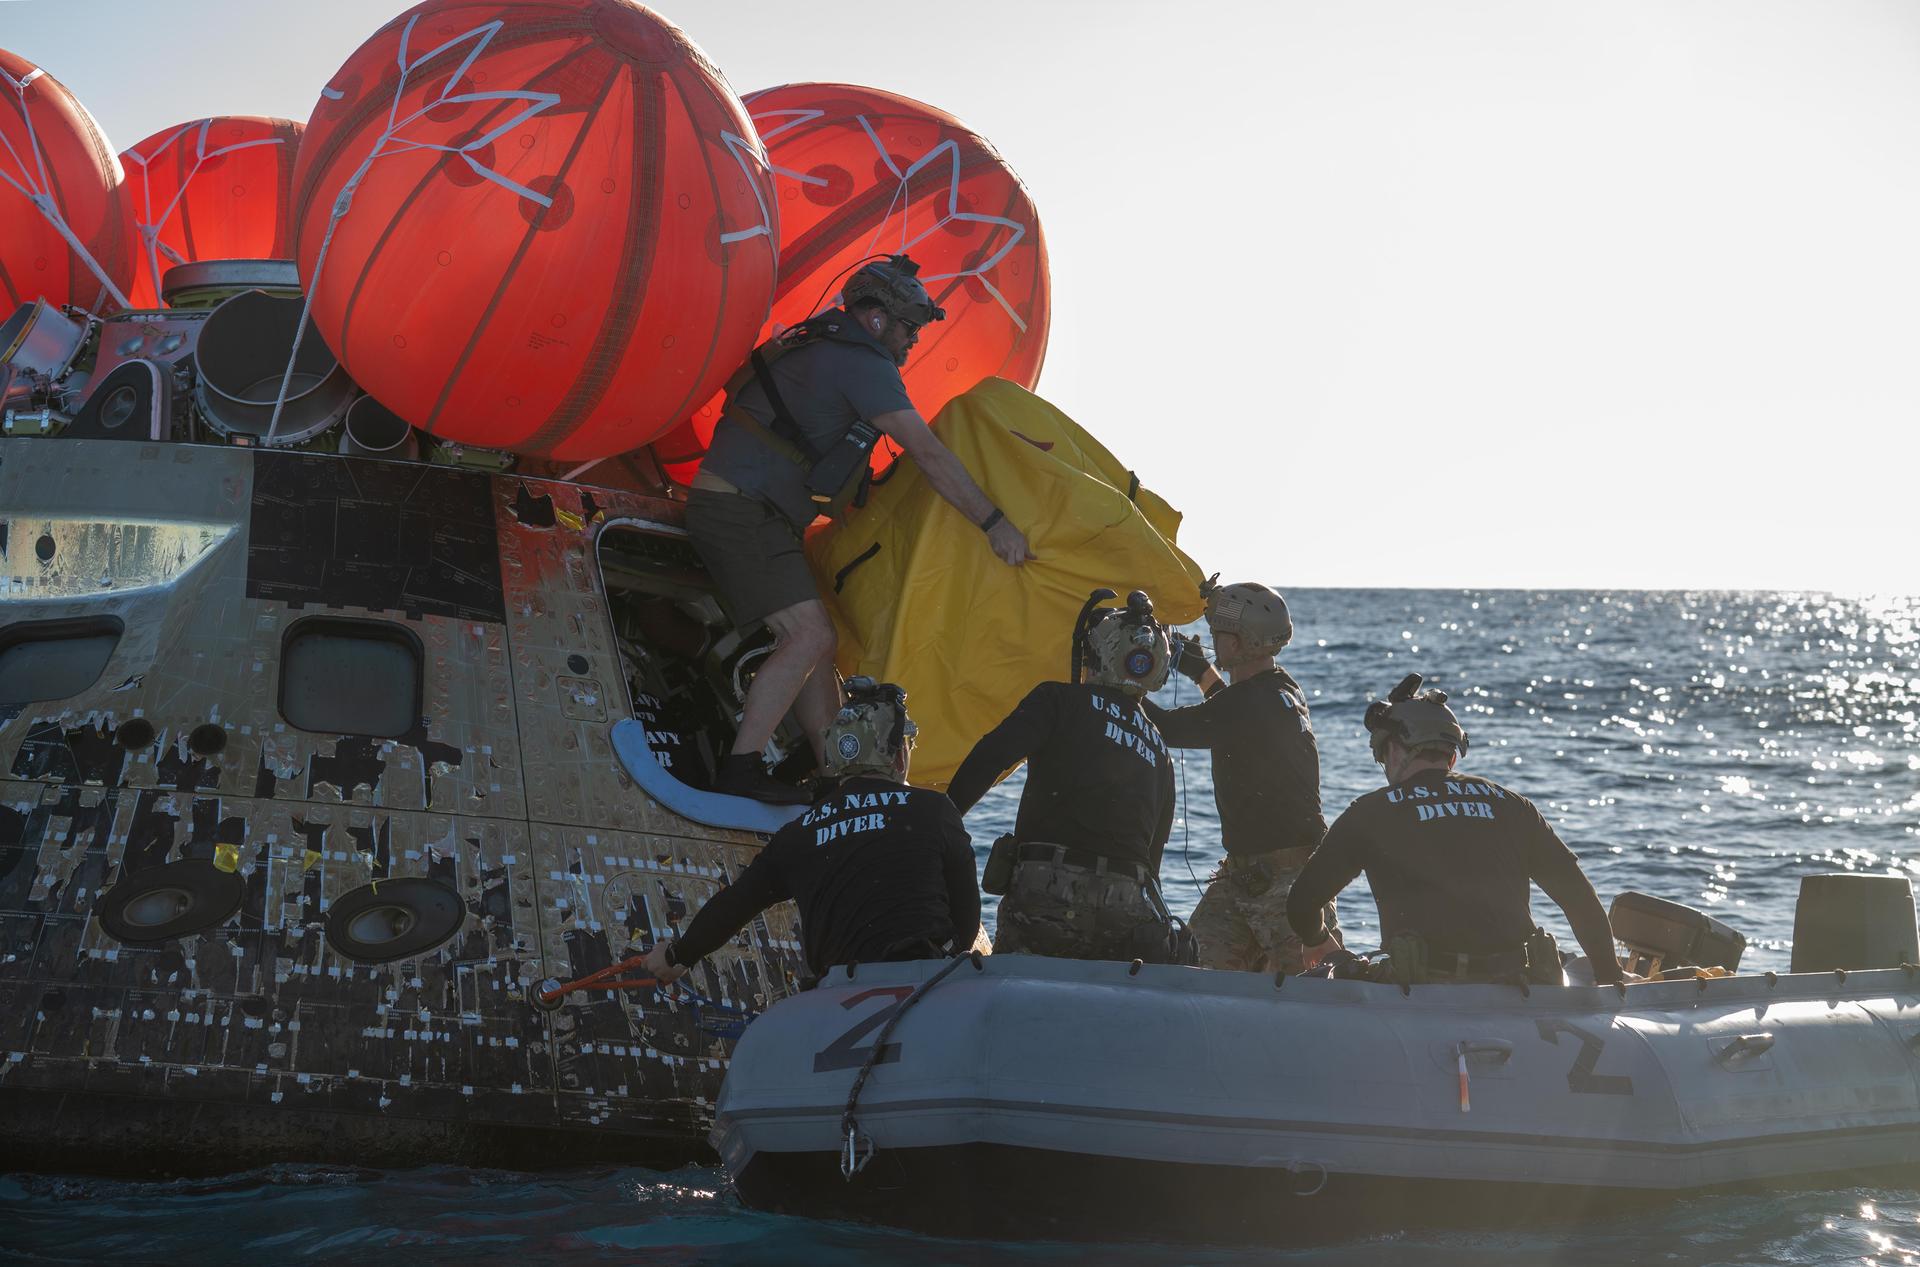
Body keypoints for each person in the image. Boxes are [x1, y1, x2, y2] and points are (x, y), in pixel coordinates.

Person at [687, 254, 1032, 803]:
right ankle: (741, 768)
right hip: (741, 512)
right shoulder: (863, 364)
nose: (914, 338)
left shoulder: (815, 342)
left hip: (751, 511)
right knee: (811, 636)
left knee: (820, 645)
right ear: (875, 319)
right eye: (908, 326)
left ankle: (836, 778)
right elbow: (927, 452)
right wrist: (994, 523)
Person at [1285, 674, 1626, 986]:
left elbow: (1301, 903)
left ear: (1393, 748)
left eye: (1382, 755)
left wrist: (1318, 941)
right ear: (1451, 756)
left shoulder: (1372, 811)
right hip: (1516, 985)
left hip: (1423, 988)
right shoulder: (1512, 805)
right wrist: (1611, 978)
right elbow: (1580, 900)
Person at [642, 679, 979, 985]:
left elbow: (734, 904)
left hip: (842, 992)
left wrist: (678, 956)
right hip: (927, 981)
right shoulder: (933, 810)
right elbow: (966, 918)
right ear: (899, 756)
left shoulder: (799, 833)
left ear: (834, 756)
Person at [947, 590, 1178, 962]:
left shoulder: (1057, 700)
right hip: (1127, 904)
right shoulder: (1159, 747)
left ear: (1095, 656)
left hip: (1045, 894)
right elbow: (1153, 860)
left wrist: (940, 822)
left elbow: (990, 757)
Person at [1141, 581, 1335, 974]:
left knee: (1316, 994)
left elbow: (1163, 728)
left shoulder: (1246, 703)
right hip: (1246, 876)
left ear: (1237, 643)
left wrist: (1120, 673)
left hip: (1286, 885)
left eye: (1218, 633)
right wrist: (1202, 672)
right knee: (1189, 971)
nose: (1212, 637)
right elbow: (1231, 717)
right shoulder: (1282, 688)